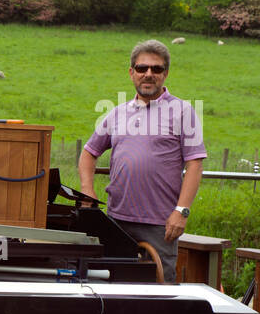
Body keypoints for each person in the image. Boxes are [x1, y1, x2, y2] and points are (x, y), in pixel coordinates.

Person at [78, 39, 205, 282]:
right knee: (113, 289)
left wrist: (182, 212)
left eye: (156, 69)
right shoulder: (117, 112)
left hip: (161, 225)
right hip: (116, 221)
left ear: (165, 74)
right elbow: (88, 153)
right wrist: (87, 190)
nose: (148, 74)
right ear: (131, 72)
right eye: (142, 68)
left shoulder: (183, 112)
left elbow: (195, 165)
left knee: (159, 294)